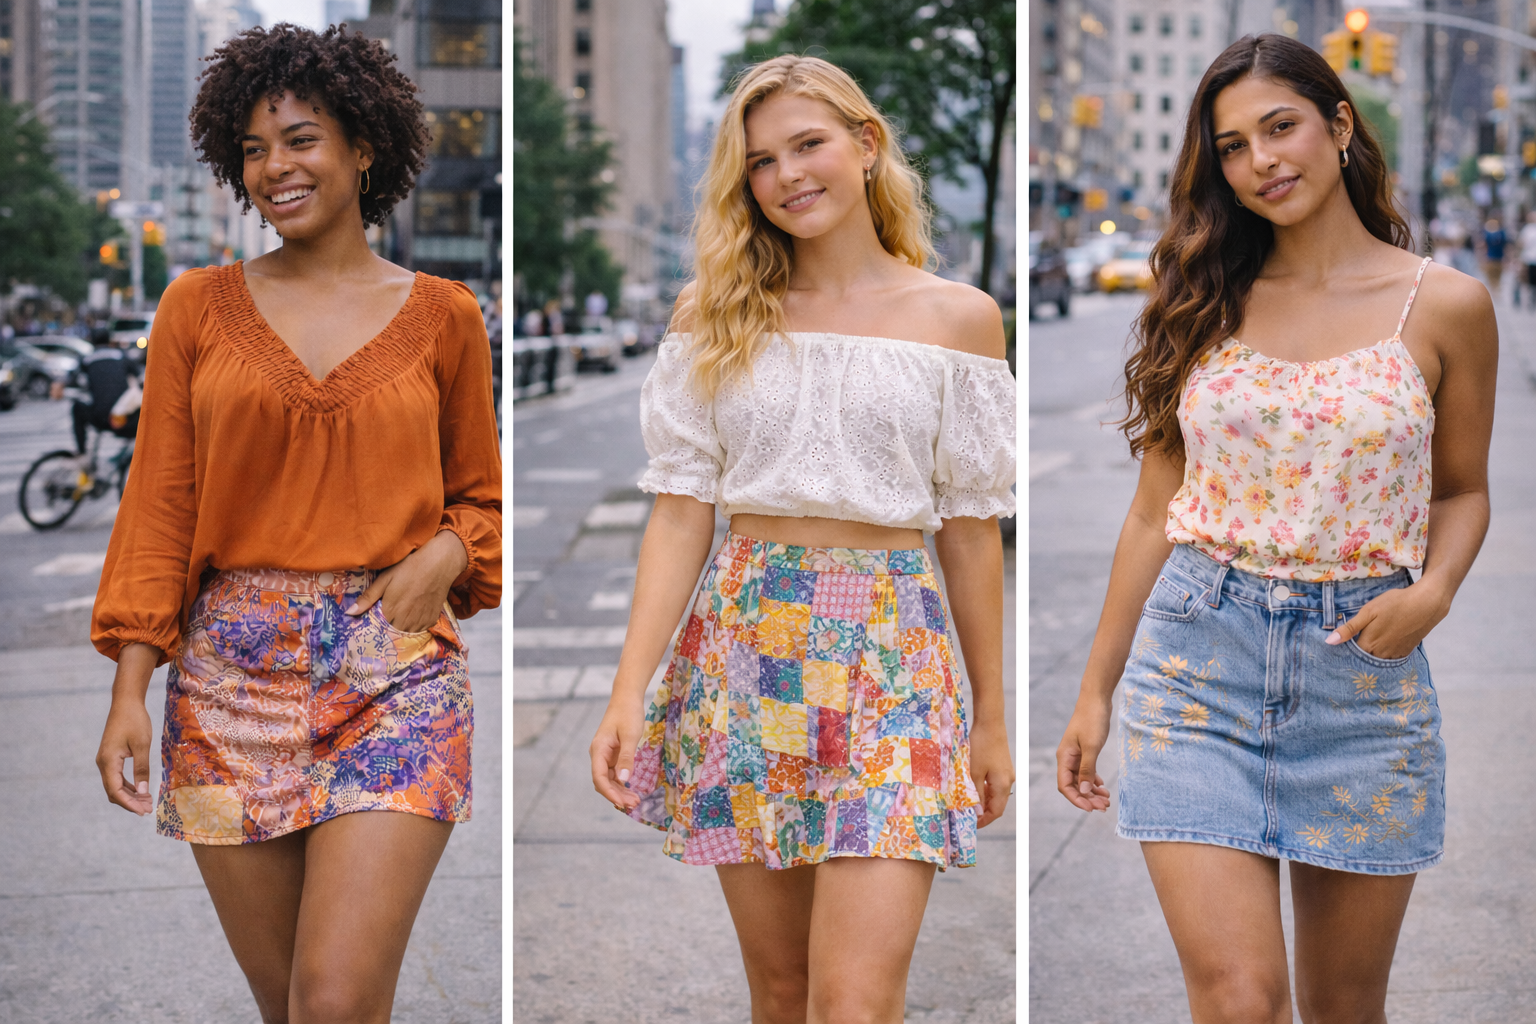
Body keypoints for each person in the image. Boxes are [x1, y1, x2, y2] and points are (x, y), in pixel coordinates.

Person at [1054, 34, 1496, 1023]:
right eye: (1234, 146)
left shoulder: (1447, 305)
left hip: (1361, 676)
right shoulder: (1203, 299)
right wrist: (1096, 688)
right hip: (1197, 666)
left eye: (1281, 126)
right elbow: (1152, 509)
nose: (1263, 161)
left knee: (1344, 1008)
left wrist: (1433, 590)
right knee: (1240, 997)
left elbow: (1462, 490)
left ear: (1340, 125)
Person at [588, 55, 1016, 1023]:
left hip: (892, 654)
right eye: (762, 162)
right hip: (747, 645)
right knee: (783, 992)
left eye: (808, 144)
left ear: (866, 145)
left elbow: (973, 529)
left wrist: (991, 712)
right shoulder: (717, 314)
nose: (788, 175)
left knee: (856, 1001)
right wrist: (629, 690)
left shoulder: (960, 320)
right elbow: (682, 507)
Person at [90, 24, 501, 1023]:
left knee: (334, 999)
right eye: (254, 148)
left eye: (302, 138)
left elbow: (483, 499)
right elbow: (160, 503)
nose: (275, 166)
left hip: (394, 677)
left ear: (364, 147)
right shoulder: (193, 307)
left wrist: (447, 550)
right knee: (290, 1011)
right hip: (227, 687)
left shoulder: (447, 316)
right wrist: (131, 688)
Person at [69, 327, 140, 455]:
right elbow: (140, 376)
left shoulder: (87, 360)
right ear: (110, 341)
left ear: (91, 342)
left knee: (77, 408)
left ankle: (82, 452)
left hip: (100, 418)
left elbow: (72, 379)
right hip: (122, 419)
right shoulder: (122, 356)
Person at [1483, 217, 1507, 300]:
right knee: (1492, 274)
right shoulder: (1491, 234)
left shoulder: (1500, 233)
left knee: (1497, 274)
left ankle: (1495, 290)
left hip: (1497, 257)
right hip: (1492, 257)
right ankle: (1494, 290)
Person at [1517, 210, 1536, 308]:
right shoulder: (1527, 229)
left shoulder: (1527, 229)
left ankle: (1531, 299)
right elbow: (1521, 243)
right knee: (1528, 280)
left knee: (1530, 281)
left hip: (1530, 258)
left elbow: (1521, 243)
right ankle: (1530, 299)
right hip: (1529, 258)